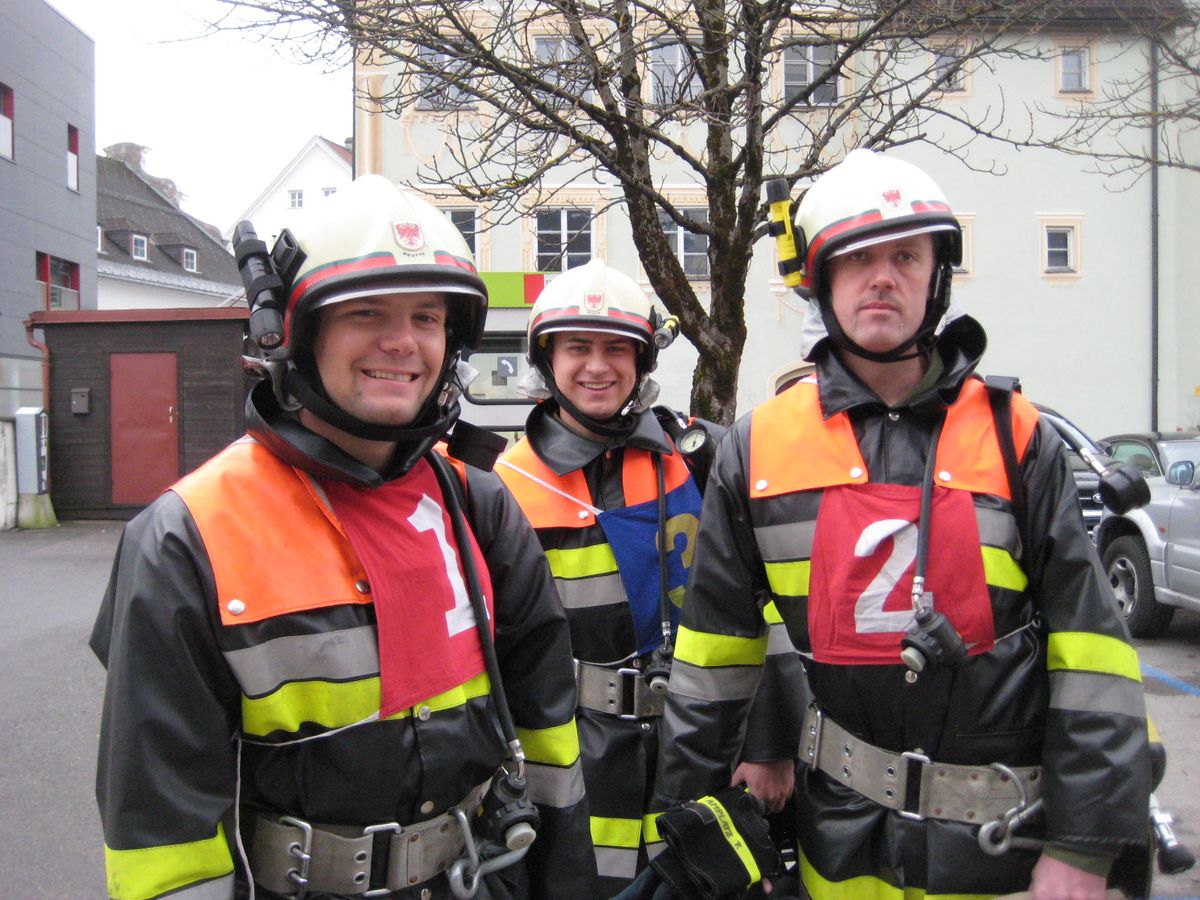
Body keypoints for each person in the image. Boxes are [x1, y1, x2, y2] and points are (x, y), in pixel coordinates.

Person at [653, 149, 1152, 899]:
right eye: (856, 261)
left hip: (1005, 849)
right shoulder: (758, 447)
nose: (882, 277)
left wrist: (1085, 845)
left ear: (936, 278)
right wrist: (693, 822)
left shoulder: (1016, 437)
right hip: (838, 845)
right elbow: (713, 654)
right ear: (821, 282)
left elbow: (1092, 654)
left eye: (905, 257)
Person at [90, 176, 596, 900]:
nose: (403, 342)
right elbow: (164, 840)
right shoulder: (186, 538)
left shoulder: (480, 507)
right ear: (294, 334)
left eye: (427, 316)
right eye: (365, 312)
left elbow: (548, 743)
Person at [494, 260, 803, 897]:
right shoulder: (505, 485)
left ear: (642, 359)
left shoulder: (705, 457)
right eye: (577, 347)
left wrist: (770, 744)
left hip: (706, 744)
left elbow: (762, 608)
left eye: (616, 348)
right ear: (546, 358)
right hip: (577, 754)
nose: (597, 367)